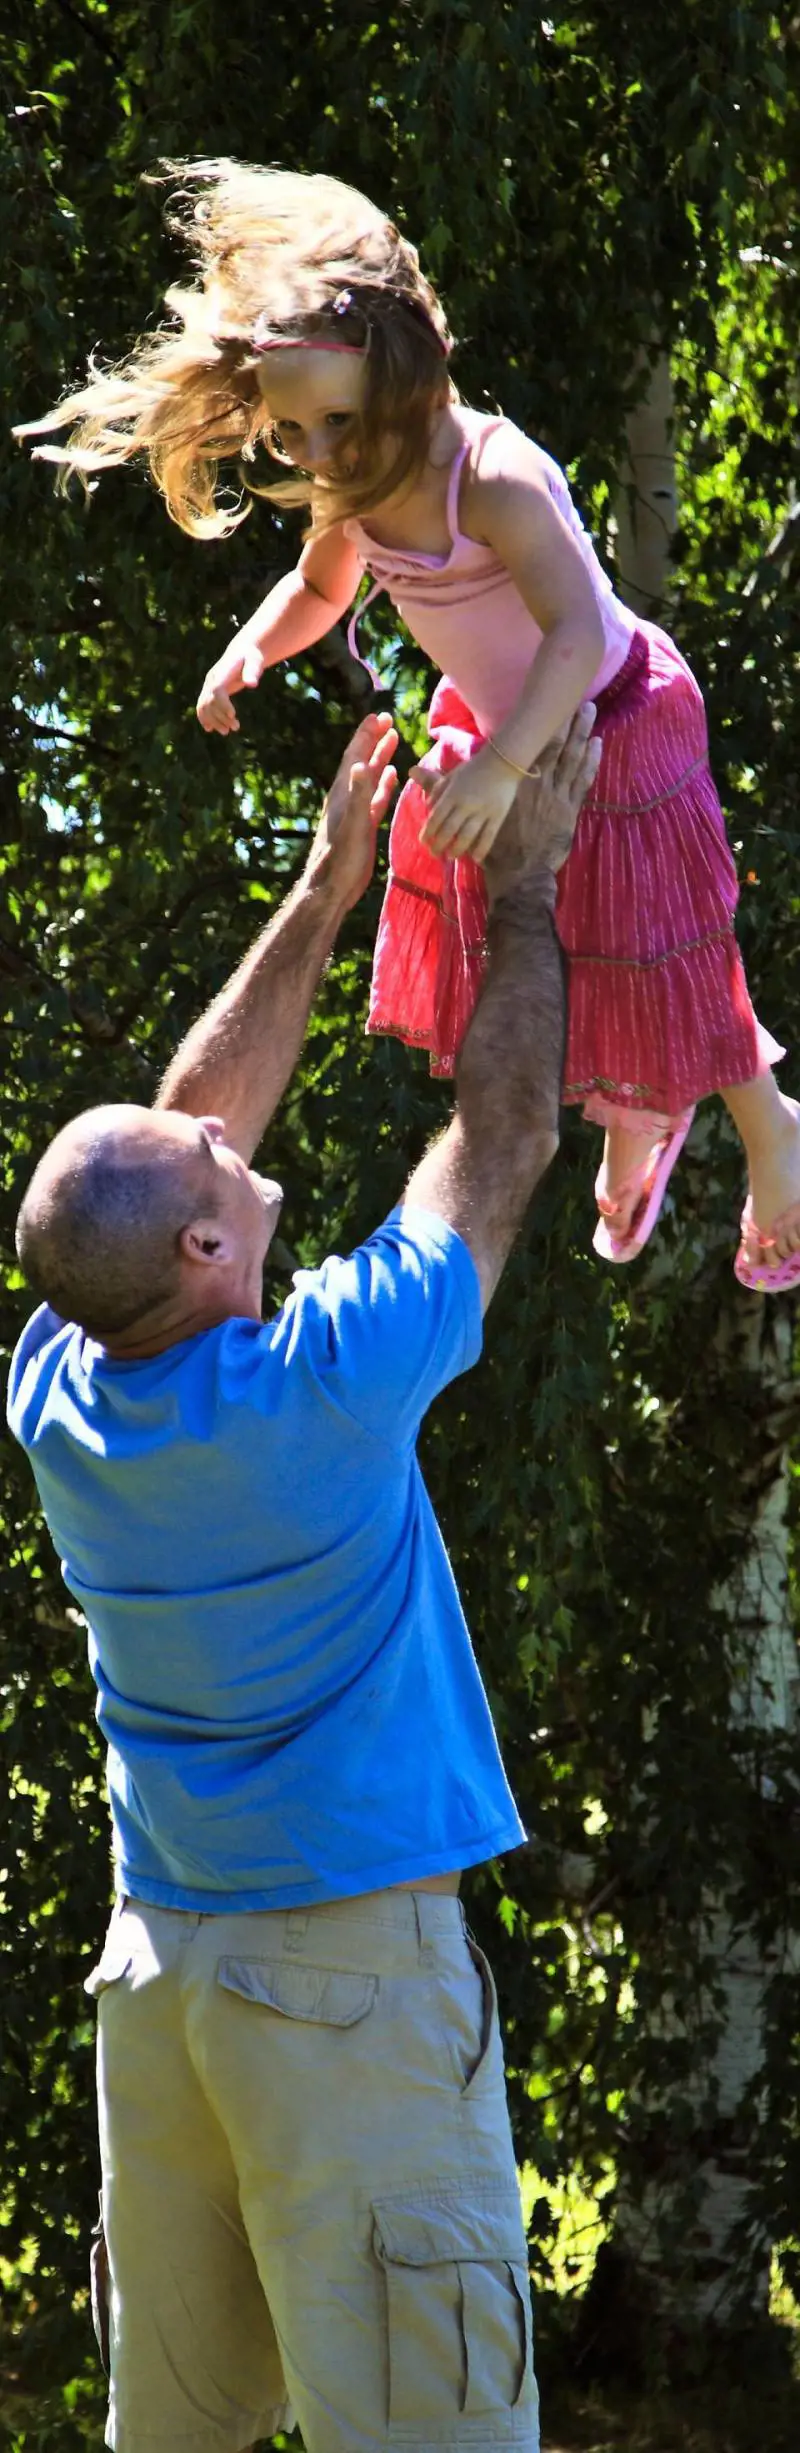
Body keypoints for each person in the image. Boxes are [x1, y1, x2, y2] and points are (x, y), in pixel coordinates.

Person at [8, 704, 601, 2453]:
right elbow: (503, 1146)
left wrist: (332, 885)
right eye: (212, 1164)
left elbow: (160, 1152)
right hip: (345, 1984)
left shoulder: (61, 1386)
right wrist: (528, 888)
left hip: (166, 1980)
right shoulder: (320, 1387)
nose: (220, 1130)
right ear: (206, 1244)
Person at [16, 160, 800, 1291]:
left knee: (665, 937)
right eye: (292, 431)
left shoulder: (491, 476)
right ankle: (639, 1109)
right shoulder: (353, 485)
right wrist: (254, 646)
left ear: (409, 372)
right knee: (561, 935)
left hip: (612, 717)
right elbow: (319, 589)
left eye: (336, 421)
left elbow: (577, 632)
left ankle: (772, 1129)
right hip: (508, 731)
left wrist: (504, 765)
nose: (318, 453)